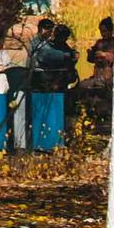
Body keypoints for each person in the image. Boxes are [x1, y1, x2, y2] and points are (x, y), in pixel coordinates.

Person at [27, 19, 79, 154]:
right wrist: (68, 55)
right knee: (42, 115)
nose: (51, 33)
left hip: (56, 85)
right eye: (48, 29)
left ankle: (55, 142)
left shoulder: (58, 45)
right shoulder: (40, 44)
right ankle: (41, 144)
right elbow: (46, 56)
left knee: (56, 116)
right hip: (41, 83)